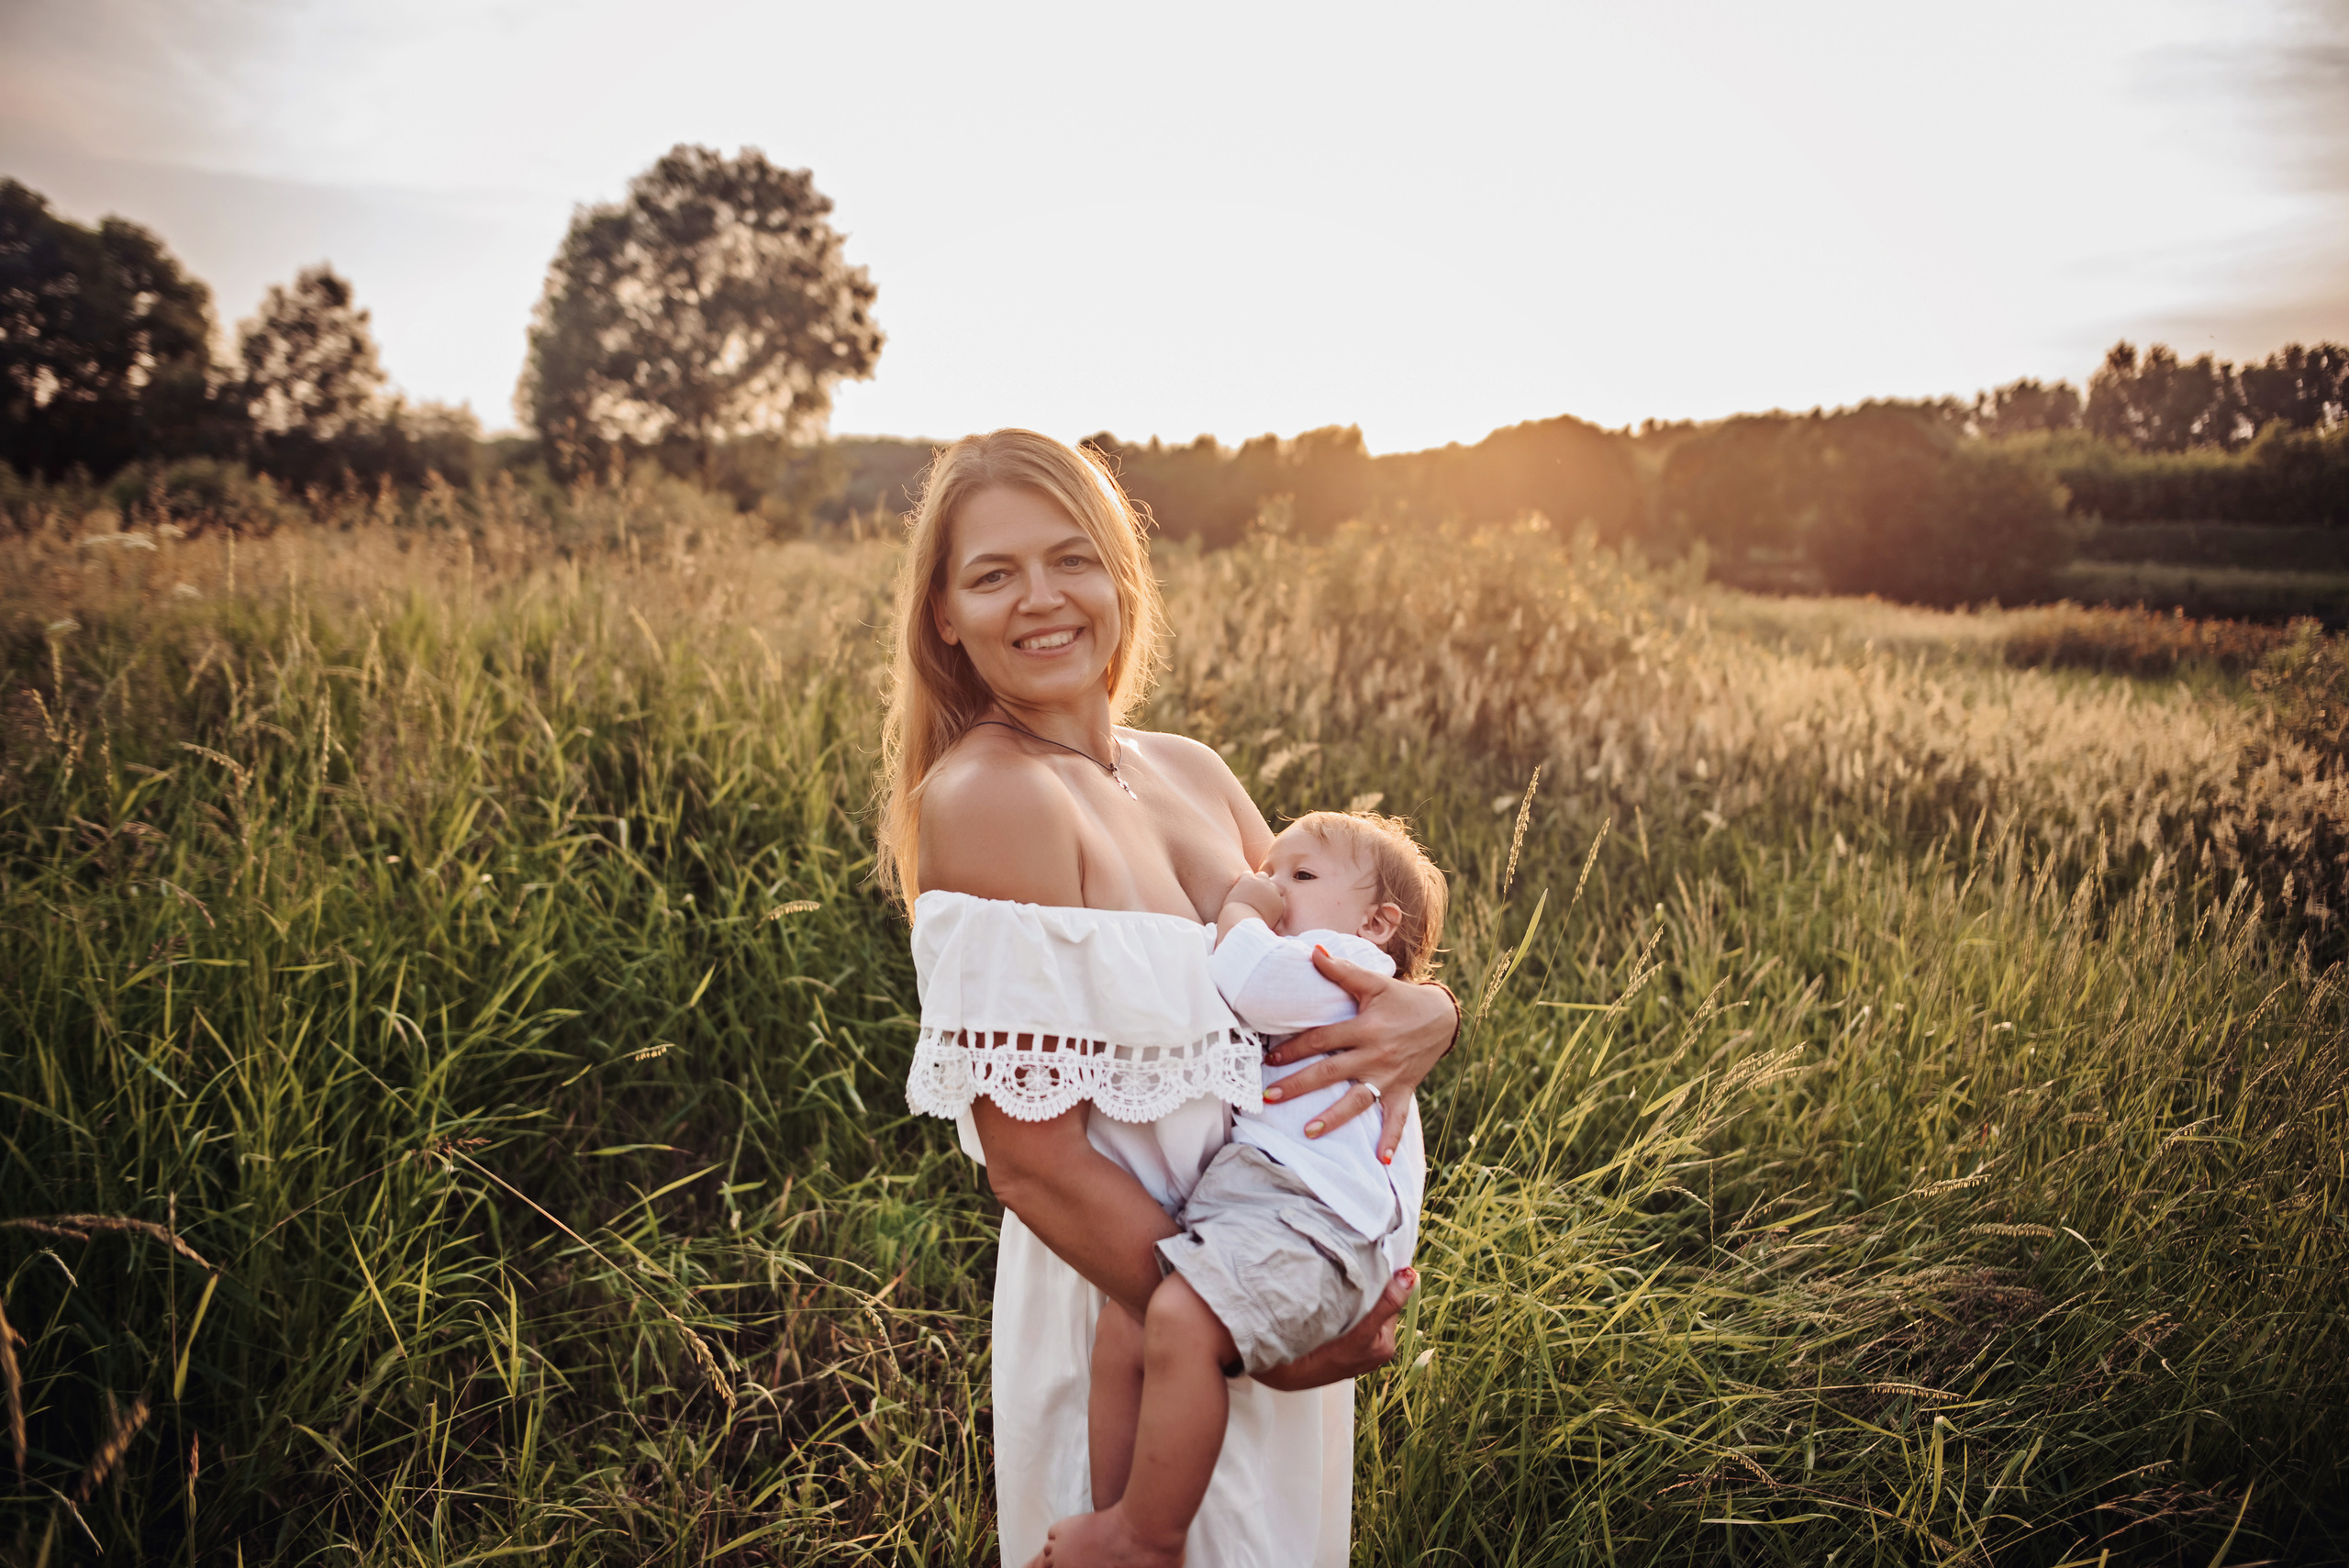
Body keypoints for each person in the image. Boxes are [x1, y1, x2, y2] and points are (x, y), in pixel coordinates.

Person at [879, 428, 1461, 1566]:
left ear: (1119, 574)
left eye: (1070, 558)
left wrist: (1431, 1015)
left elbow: (1325, 971)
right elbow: (1033, 1161)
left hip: (1273, 1264)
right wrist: (1250, 1333)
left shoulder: (1189, 767)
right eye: (993, 574)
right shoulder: (992, 798)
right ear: (944, 612)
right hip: (1140, 1322)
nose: (1041, 600)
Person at [1035, 811, 1448, 1567]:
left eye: (1300, 875)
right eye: (1270, 869)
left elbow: (1248, 978)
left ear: (1378, 921)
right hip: (1266, 1205)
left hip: (1312, 1221)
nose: (1270, 884)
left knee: (1182, 1323)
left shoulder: (1343, 966)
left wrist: (1241, 910)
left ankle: (1147, 1537)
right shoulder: (1327, 959)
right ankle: (1120, 1513)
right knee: (1129, 1328)